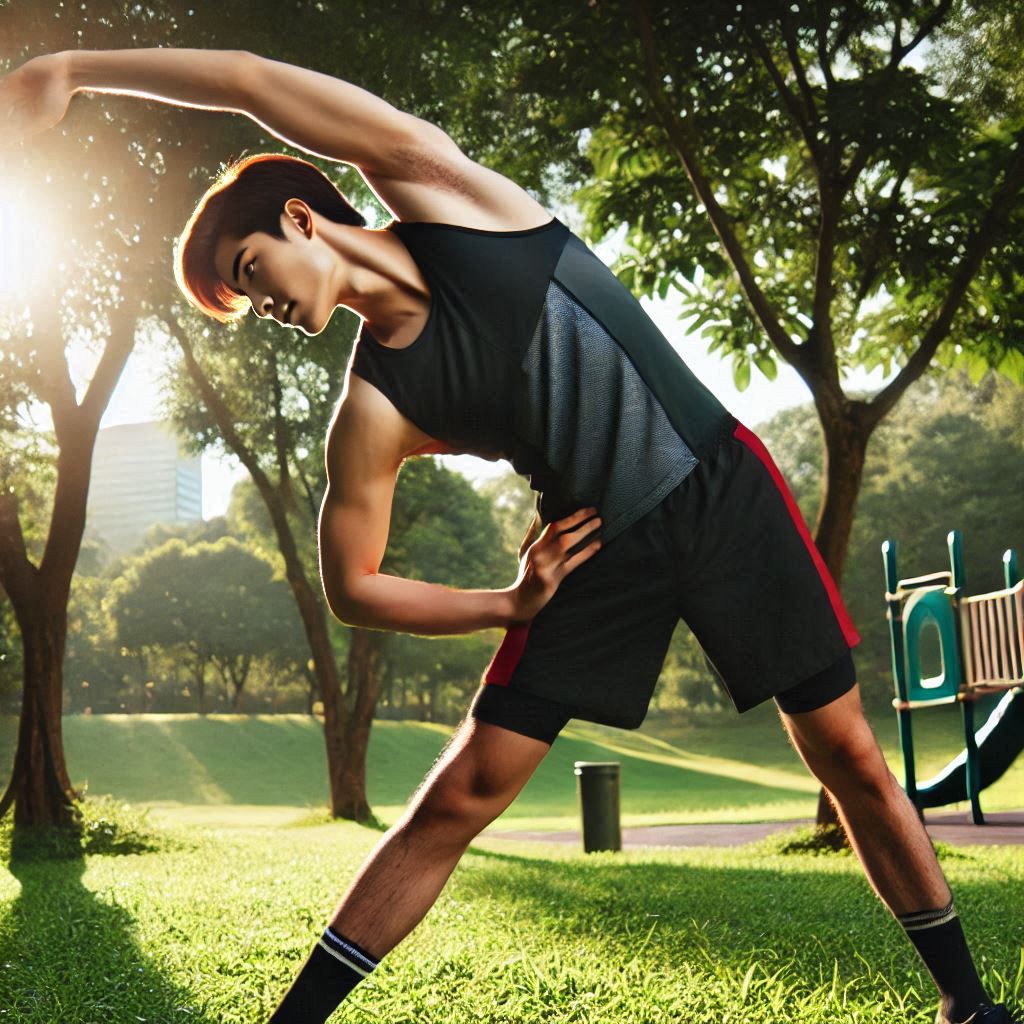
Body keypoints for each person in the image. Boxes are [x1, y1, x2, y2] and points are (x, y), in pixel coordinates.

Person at [2, 46, 1016, 1024]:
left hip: (717, 487)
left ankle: (966, 1000)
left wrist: (76, 71)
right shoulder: (374, 409)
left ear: (301, 216)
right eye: (246, 298)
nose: (262, 302)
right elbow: (352, 584)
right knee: (462, 795)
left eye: (251, 266)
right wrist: (504, 602)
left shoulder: (449, 195)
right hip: (589, 549)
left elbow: (251, 86)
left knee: (843, 752)